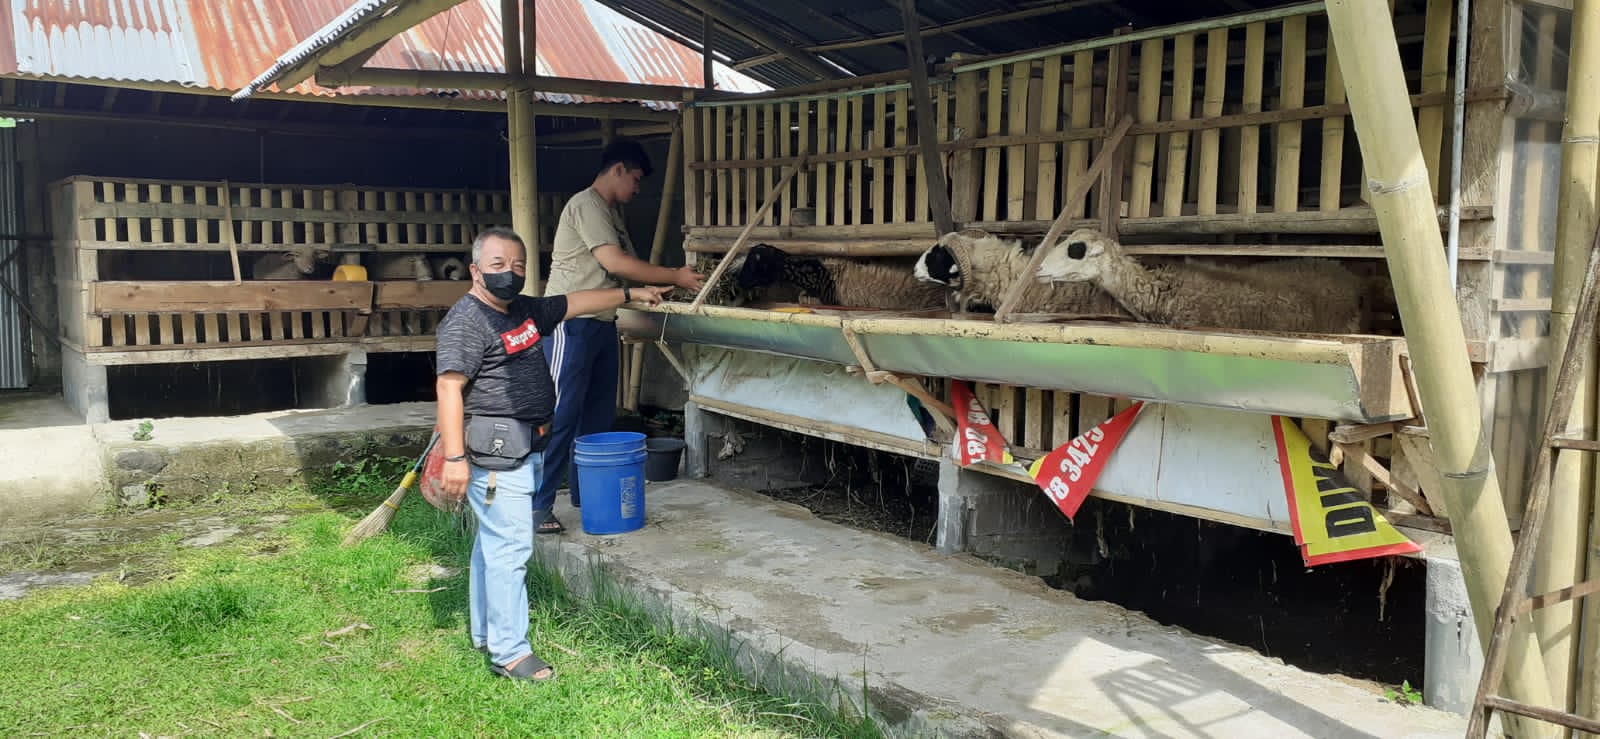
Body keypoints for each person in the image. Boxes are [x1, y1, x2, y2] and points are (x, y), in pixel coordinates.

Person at [434, 226, 668, 682]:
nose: (510, 273)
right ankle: (511, 653)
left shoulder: (522, 310)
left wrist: (628, 292)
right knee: (512, 548)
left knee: (492, 545)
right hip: (496, 451)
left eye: (518, 266)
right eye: (499, 265)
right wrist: (457, 458)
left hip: (526, 443)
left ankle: (486, 632)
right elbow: (448, 387)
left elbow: (575, 303)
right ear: (476, 270)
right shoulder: (467, 322)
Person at [536, 138, 705, 532]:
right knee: (560, 416)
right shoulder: (586, 205)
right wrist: (675, 275)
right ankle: (537, 504)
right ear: (617, 170)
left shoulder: (612, 214)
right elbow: (616, 263)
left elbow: (623, 270)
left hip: (600, 324)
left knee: (595, 422)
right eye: (636, 179)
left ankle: (585, 496)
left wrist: (660, 286)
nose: (637, 189)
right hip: (570, 324)